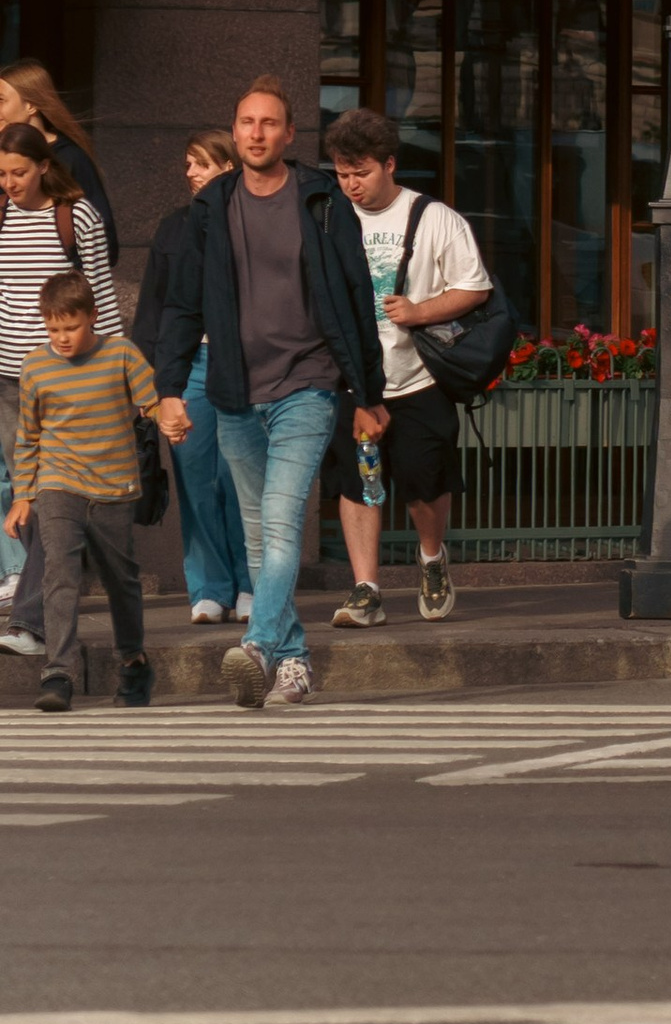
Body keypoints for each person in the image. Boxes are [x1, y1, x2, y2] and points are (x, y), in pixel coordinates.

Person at [154, 77, 387, 712]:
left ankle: (257, 646)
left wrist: (369, 390)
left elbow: (357, 297)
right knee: (259, 538)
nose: (256, 133)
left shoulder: (320, 199)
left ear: (288, 134)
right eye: (246, 123)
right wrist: (168, 388)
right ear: (235, 132)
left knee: (280, 524)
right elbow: (181, 303)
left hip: (307, 387)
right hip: (233, 390)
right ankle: (294, 663)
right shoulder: (212, 208)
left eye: (269, 124)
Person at [320, 110, 494, 631]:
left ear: (389, 164)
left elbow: (475, 287)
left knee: (423, 485)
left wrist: (419, 311)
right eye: (342, 173)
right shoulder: (328, 217)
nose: (351, 185)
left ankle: (431, 557)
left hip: (419, 377)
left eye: (362, 173)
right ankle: (366, 589)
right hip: (353, 381)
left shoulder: (435, 217)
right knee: (359, 483)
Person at [9, 268, 159, 716]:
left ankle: (133, 661)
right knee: (59, 573)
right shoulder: (36, 366)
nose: (62, 338)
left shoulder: (122, 355)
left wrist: (169, 417)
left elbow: (151, 402)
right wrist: (24, 494)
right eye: (53, 328)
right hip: (59, 483)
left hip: (114, 487)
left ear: (92, 316)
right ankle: (58, 673)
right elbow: (27, 436)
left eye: (70, 327)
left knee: (121, 580)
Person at [0, 120, 117, 662]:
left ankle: (29, 620)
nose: (9, 183)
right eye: (1, 174)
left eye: (18, 172)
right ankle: (52, 590)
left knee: (51, 498)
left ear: (44, 165)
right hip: (7, 382)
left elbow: (102, 303)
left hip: (64, 381)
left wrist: (115, 375)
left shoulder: (78, 217)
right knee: (28, 503)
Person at [133, 133, 252, 625]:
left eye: (200, 163)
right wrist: (151, 385)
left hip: (245, 364)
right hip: (188, 367)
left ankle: (249, 584)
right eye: (187, 163)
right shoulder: (174, 228)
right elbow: (154, 308)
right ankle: (208, 587)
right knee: (195, 476)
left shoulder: (251, 222)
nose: (190, 172)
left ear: (228, 167)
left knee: (241, 478)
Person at [0, 64, 117, 263]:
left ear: (31, 105)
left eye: (1, 100)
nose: (10, 182)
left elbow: (105, 242)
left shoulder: (70, 159)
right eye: (3, 174)